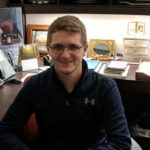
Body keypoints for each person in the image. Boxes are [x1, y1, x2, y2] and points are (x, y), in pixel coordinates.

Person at [0, 15, 131, 150]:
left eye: (73, 47)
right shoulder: (35, 85)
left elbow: (121, 143)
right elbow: (4, 131)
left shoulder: (105, 87)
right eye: (58, 47)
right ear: (48, 49)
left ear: (85, 49)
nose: (65, 55)